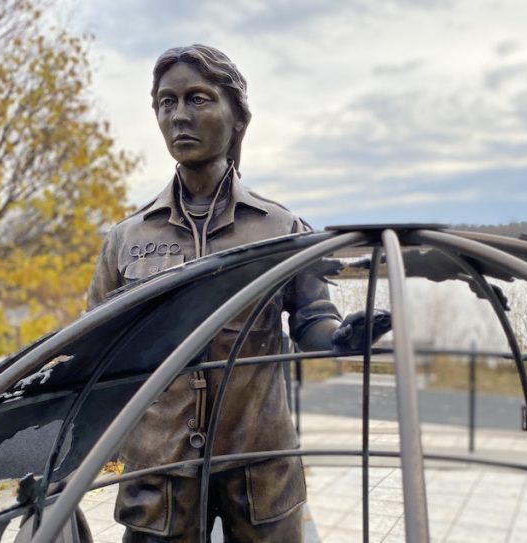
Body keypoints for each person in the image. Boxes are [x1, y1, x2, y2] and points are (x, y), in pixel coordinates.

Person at [86, 44, 386, 542]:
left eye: (198, 99)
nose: (179, 115)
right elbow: (95, 348)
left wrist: (341, 341)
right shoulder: (127, 238)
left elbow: (313, 319)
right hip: (159, 473)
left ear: (237, 117)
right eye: (166, 102)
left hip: (258, 466)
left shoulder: (283, 228)